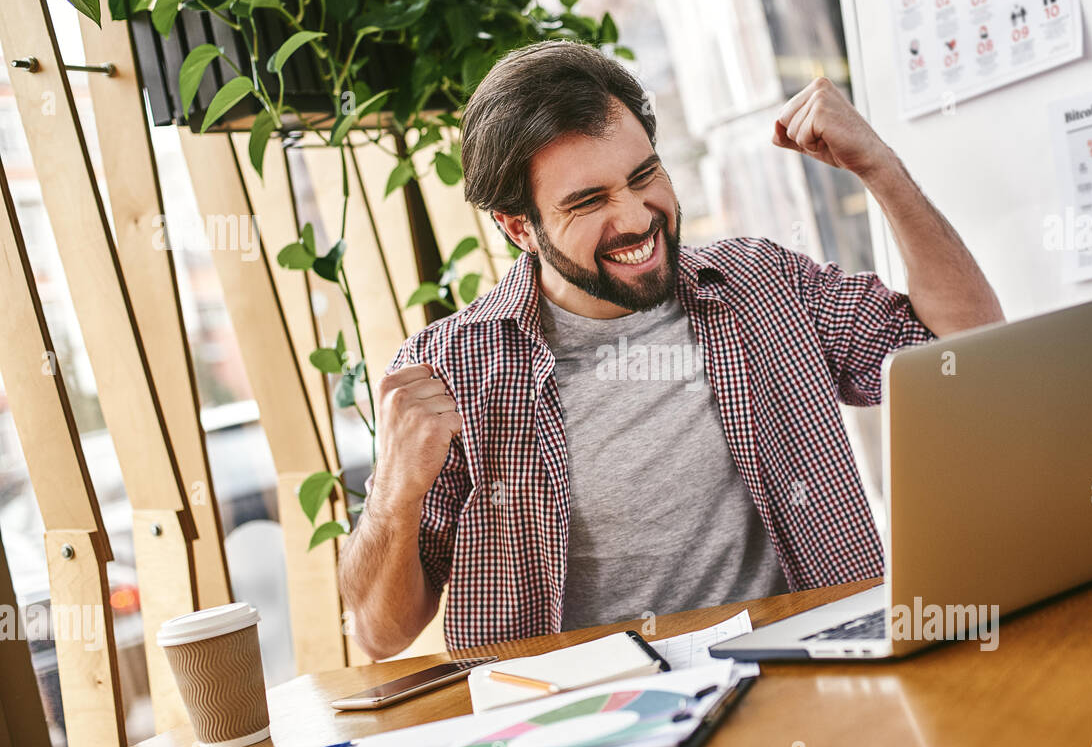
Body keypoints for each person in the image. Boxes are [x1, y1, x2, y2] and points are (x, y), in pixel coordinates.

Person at [340, 40, 1003, 657]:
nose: (634, 217)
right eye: (589, 200)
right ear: (520, 227)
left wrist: (881, 169)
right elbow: (379, 634)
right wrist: (396, 490)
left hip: (810, 678)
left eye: (644, 175)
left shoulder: (762, 284)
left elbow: (967, 353)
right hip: (601, 729)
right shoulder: (452, 369)